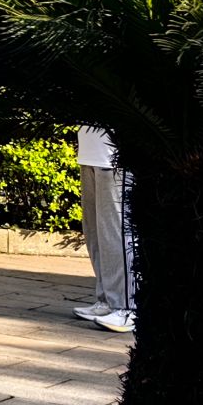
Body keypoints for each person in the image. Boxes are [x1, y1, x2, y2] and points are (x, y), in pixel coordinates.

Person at [76, 128, 135, 334]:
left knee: (116, 233)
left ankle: (128, 307)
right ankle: (107, 301)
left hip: (114, 158)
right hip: (89, 154)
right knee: (95, 232)